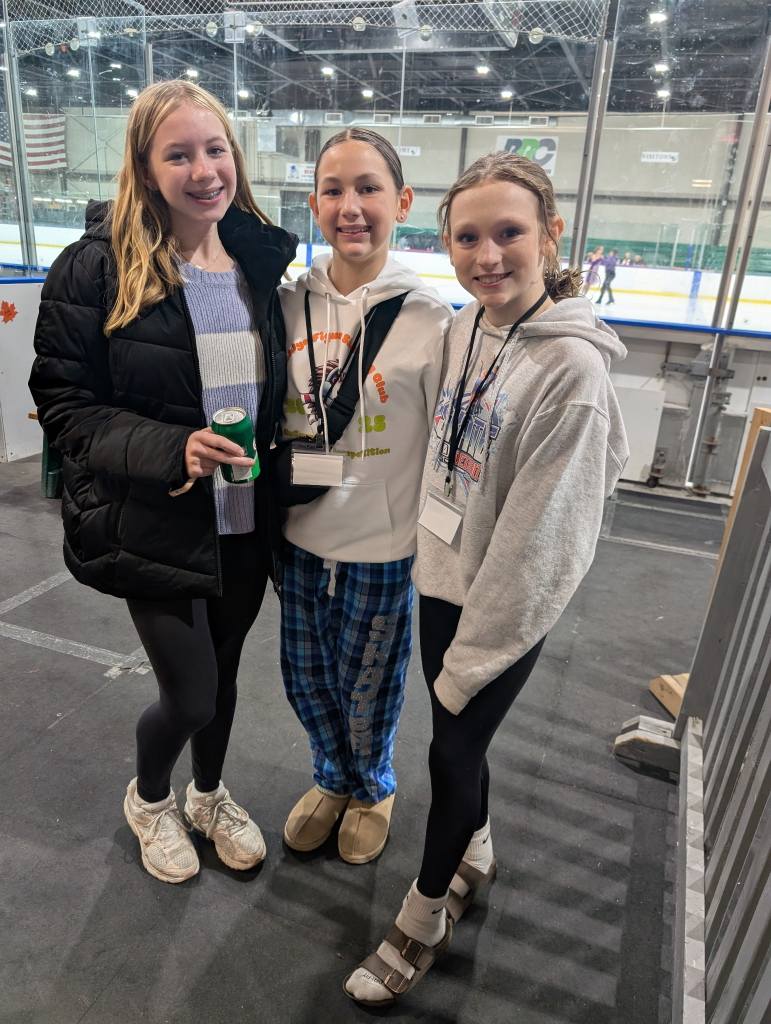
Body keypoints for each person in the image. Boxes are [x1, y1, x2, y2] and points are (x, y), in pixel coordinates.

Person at [343, 151, 629, 1004]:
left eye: (508, 233)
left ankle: (423, 915)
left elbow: (543, 547)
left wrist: (476, 653)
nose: (487, 255)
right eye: (467, 238)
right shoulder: (467, 325)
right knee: (459, 744)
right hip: (440, 575)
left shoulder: (571, 373)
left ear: (550, 233)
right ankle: (475, 849)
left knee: (451, 749)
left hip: (500, 601)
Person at [28, 81, 297, 884]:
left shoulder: (255, 261)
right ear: (145, 169)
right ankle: (150, 799)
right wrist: (172, 449)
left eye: (214, 149)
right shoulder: (96, 266)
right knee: (191, 695)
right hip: (153, 517)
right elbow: (65, 404)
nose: (203, 170)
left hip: (243, 515)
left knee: (225, 677)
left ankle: (208, 796)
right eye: (178, 155)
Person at [278, 128, 452, 865]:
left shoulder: (430, 318)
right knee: (305, 679)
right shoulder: (287, 302)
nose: (350, 207)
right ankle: (331, 777)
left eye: (369, 188)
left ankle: (372, 786)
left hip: (381, 545)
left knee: (369, 684)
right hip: (297, 535)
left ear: (402, 202)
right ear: (314, 203)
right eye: (334, 190)